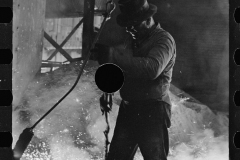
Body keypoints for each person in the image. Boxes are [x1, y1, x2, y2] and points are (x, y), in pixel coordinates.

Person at [91, 0, 176, 159]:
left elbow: (151, 69)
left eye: (134, 24)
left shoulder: (163, 40)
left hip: (153, 110)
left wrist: (114, 55)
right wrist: (107, 90)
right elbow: (126, 69)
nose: (129, 28)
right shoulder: (132, 40)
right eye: (127, 24)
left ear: (148, 19)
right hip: (130, 108)